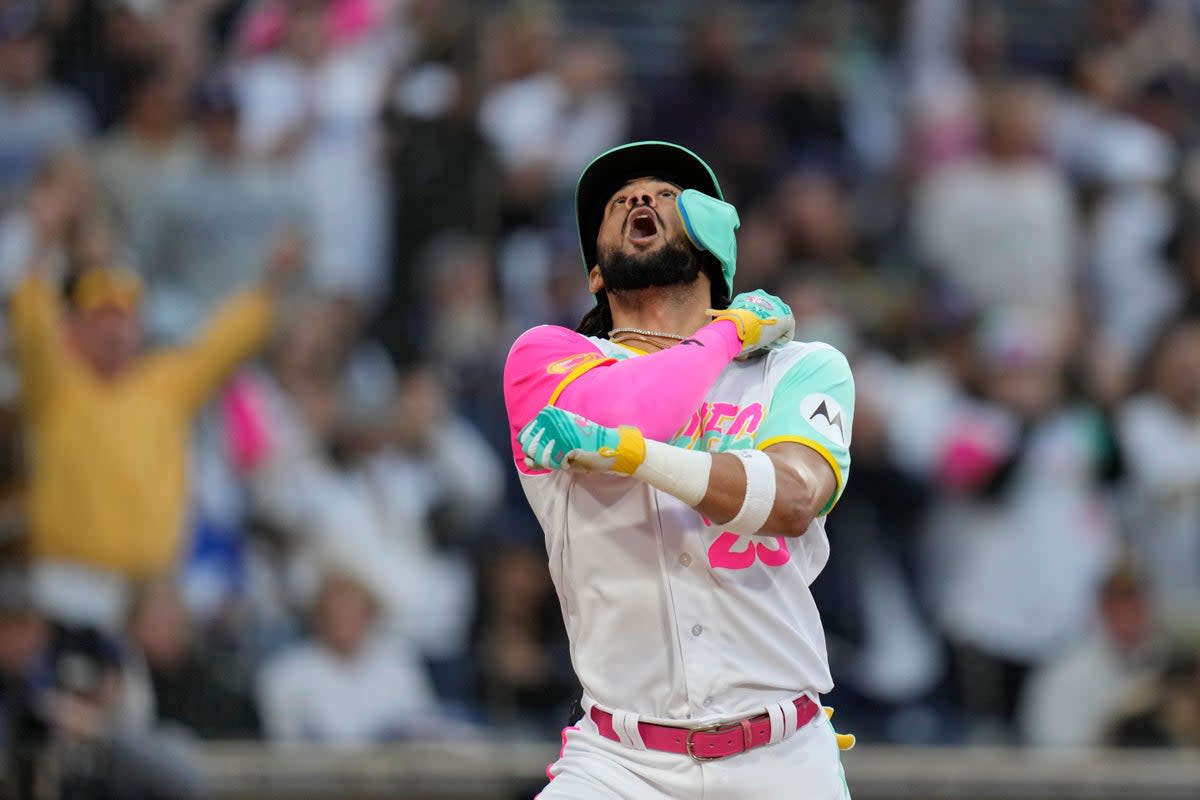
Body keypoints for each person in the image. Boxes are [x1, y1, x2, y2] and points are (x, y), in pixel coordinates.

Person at [503, 141, 855, 798]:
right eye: (619, 200)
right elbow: (640, 411)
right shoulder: (548, 356)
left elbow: (794, 500)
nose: (640, 199)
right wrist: (727, 333)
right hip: (619, 763)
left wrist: (632, 458)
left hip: (783, 759)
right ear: (596, 277)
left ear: (714, 245)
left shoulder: (799, 368)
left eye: (667, 195)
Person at [8, 232, 303, 631]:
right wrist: (43, 244)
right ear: (74, 328)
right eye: (101, 319)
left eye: (124, 319)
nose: (114, 332)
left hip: (150, 592)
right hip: (70, 584)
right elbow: (32, 329)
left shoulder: (164, 385)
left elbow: (223, 343)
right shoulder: (56, 385)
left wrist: (273, 279)